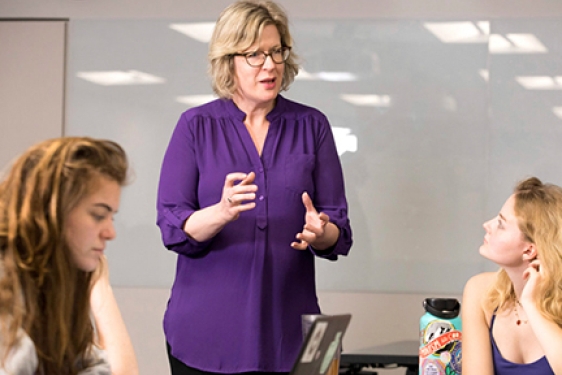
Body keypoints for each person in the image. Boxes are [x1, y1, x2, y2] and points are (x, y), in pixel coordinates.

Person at [156, 1, 353, 374]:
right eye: (254, 55)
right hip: (204, 336)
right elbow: (172, 229)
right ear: (228, 60)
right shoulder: (195, 126)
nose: (270, 65)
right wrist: (221, 212)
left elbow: (339, 234)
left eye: (277, 51)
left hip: (295, 335)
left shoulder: (313, 126)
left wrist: (321, 231)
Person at [0, 137, 139, 375]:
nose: (110, 233)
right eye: (98, 215)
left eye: (111, 217)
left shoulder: (50, 289)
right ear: (50, 212)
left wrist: (98, 282)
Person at [462, 177, 562, 375]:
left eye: (501, 223)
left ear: (529, 250)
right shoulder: (480, 291)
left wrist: (531, 305)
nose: (486, 224)